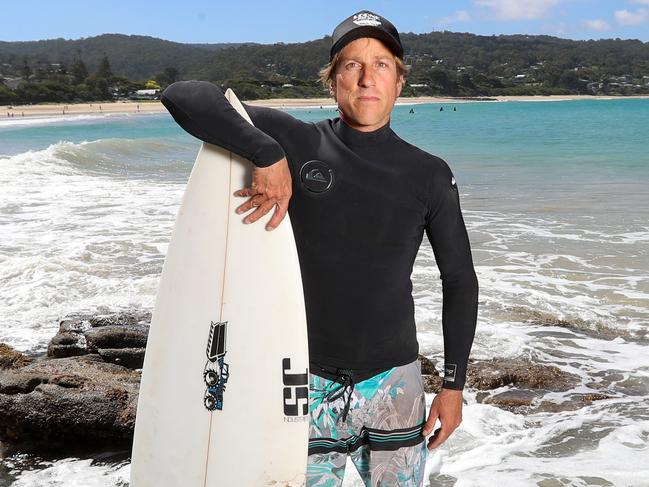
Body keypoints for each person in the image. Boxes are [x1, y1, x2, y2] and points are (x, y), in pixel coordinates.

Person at [161, 10, 478, 487]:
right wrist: (265, 153)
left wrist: (452, 388)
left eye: (382, 65)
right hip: (299, 379)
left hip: (393, 382)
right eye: (351, 65)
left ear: (399, 83)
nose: (368, 78)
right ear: (332, 82)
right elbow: (183, 97)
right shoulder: (296, 140)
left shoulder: (429, 174)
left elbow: (459, 282)